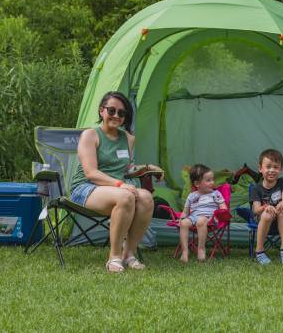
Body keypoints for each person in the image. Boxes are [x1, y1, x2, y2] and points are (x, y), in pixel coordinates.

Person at [70, 91, 163, 273]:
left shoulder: (128, 138)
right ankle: (114, 257)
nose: (116, 116)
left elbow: (126, 169)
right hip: (87, 188)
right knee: (126, 197)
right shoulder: (90, 135)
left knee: (146, 198)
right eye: (111, 110)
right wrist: (120, 185)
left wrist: (146, 169)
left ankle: (129, 254)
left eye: (122, 113)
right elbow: (91, 173)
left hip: (118, 189)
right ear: (101, 111)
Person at [178, 164, 227, 263]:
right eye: (208, 180)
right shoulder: (192, 196)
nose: (212, 182)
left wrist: (219, 215)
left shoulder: (216, 194)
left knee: (201, 221)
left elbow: (223, 208)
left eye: (212, 179)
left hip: (210, 218)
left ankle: (201, 249)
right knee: (184, 223)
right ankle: (184, 251)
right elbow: (186, 212)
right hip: (194, 217)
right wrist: (181, 219)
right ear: (197, 184)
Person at [251, 149, 283, 265]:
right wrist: (266, 207)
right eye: (268, 167)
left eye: (275, 167)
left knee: (282, 210)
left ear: (281, 169)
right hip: (264, 220)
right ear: (260, 168)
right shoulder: (256, 189)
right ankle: (259, 251)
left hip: (281, 219)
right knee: (267, 213)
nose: (272, 170)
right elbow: (256, 209)